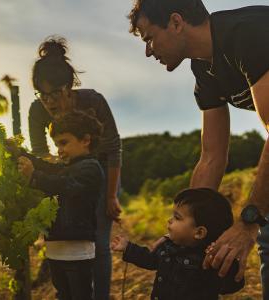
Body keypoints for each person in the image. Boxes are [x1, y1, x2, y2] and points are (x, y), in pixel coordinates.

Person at [127, 1, 269, 298]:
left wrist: (248, 221)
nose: (148, 51)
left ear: (176, 22)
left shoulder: (248, 33)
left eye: (149, 37)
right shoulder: (203, 70)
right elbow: (211, 157)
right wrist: (178, 236)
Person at [28, 36, 122, 299]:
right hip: (64, 173)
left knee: (99, 242)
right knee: (65, 236)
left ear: (69, 87)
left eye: (55, 93)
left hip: (100, 172)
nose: (49, 102)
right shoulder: (37, 111)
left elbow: (113, 148)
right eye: (43, 95)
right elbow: (41, 153)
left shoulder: (93, 101)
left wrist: (111, 195)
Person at [15, 110, 104, 300]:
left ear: (85, 140)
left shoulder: (91, 168)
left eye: (64, 143)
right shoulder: (67, 168)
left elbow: (66, 185)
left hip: (78, 251)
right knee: (63, 295)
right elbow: (48, 168)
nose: (59, 150)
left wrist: (34, 177)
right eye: (56, 144)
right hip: (56, 249)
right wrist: (19, 153)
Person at [112, 188, 244, 300]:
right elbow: (151, 259)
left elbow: (229, 286)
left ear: (199, 232)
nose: (170, 220)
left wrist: (228, 265)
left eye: (177, 217)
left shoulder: (209, 260)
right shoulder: (169, 246)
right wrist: (128, 247)